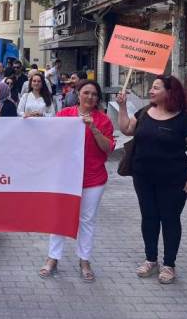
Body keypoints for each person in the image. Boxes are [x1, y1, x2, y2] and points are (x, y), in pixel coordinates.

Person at [116, 75, 187, 284]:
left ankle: (169, 264)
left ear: (170, 91)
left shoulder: (185, 119)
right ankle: (150, 260)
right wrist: (122, 106)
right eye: (152, 87)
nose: (151, 91)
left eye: (156, 88)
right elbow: (127, 129)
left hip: (174, 179)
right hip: (143, 176)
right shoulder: (145, 112)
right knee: (149, 217)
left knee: (170, 219)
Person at [39, 81, 115, 281]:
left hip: (93, 178)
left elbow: (108, 148)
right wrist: (33, 121)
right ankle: (53, 258)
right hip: (65, 177)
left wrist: (93, 128)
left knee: (87, 220)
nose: (90, 97)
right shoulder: (65, 114)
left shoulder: (103, 120)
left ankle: (84, 260)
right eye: (86, 92)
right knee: (59, 218)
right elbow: (49, 136)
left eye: (94, 94)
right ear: (78, 94)